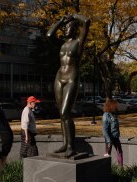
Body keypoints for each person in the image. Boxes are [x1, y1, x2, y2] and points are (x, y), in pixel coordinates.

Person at [46, 14, 90, 158]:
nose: (65, 30)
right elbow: (48, 34)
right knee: (61, 114)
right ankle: (65, 144)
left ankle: (71, 146)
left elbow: (87, 21)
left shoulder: (78, 42)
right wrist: (61, 20)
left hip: (71, 78)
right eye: (65, 28)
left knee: (66, 112)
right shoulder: (62, 44)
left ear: (75, 29)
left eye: (69, 27)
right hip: (59, 77)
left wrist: (74, 16)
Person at [102, 99, 123, 166]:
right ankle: (106, 170)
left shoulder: (113, 114)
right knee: (108, 155)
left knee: (120, 152)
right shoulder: (106, 115)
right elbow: (105, 130)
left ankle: (121, 168)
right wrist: (108, 141)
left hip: (116, 137)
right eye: (115, 105)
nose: (116, 107)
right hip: (110, 139)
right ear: (111, 106)